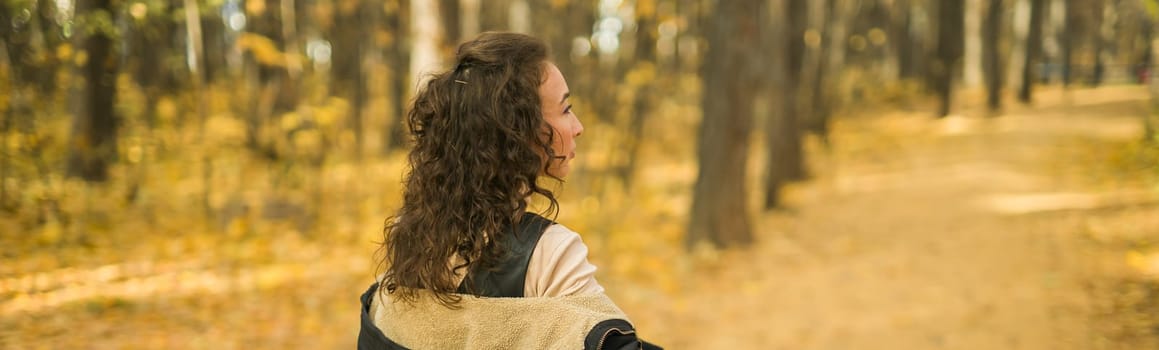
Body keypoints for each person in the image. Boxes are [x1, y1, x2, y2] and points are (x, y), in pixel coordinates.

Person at [357, 32, 661, 350]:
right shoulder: (550, 255)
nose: (578, 126)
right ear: (518, 131)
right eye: (566, 109)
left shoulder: (414, 241)